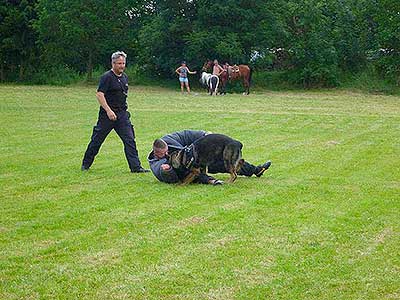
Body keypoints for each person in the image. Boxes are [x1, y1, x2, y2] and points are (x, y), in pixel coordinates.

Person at [81, 51, 149, 173]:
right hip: (107, 115)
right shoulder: (107, 77)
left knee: (130, 140)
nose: (122, 66)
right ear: (113, 63)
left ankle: (136, 167)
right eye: (119, 63)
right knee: (97, 140)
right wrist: (108, 110)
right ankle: (86, 164)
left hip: (122, 114)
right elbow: (100, 94)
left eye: (123, 63)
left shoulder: (124, 77)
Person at [148, 130, 272, 185]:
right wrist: (166, 170)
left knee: (225, 162)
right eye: (163, 154)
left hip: (195, 159)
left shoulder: (169, 141)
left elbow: (186, 134)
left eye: (167, 151)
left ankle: (256, 170)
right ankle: (211, 181)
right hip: (184, 171)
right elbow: (162, 174)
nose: (167, 154)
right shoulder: (155, 162)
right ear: (156, 153)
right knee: (195, 171)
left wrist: (204, 134)